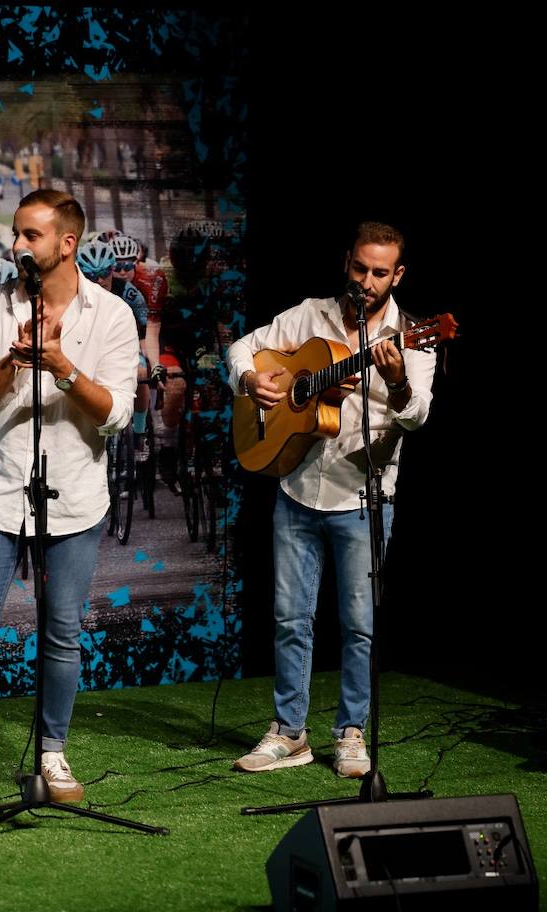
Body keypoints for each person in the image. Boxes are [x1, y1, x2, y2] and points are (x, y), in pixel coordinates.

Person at [0, 189, 138, 805]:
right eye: (16, 235)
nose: (18, 246)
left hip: (73, 493)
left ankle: (53, 753)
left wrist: (63, 366)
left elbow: (117, 415)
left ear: (66, 243)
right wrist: (16, 361)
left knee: (62, 632)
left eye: (31, 235)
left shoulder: (113, 315)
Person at [225, 221, 435, 778]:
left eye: (380, 272)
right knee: (291, 619)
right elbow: (244, 347)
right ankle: (289, 733)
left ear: (398, 275)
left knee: (358, 624)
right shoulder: (310, 316)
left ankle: (350, 732)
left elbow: (416, 416)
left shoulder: (413, 335)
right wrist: (252, 382)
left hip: (362, 499)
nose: (367, 281)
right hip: (297, 487)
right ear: (347, 262)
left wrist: (397, 384)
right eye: (360, 268)